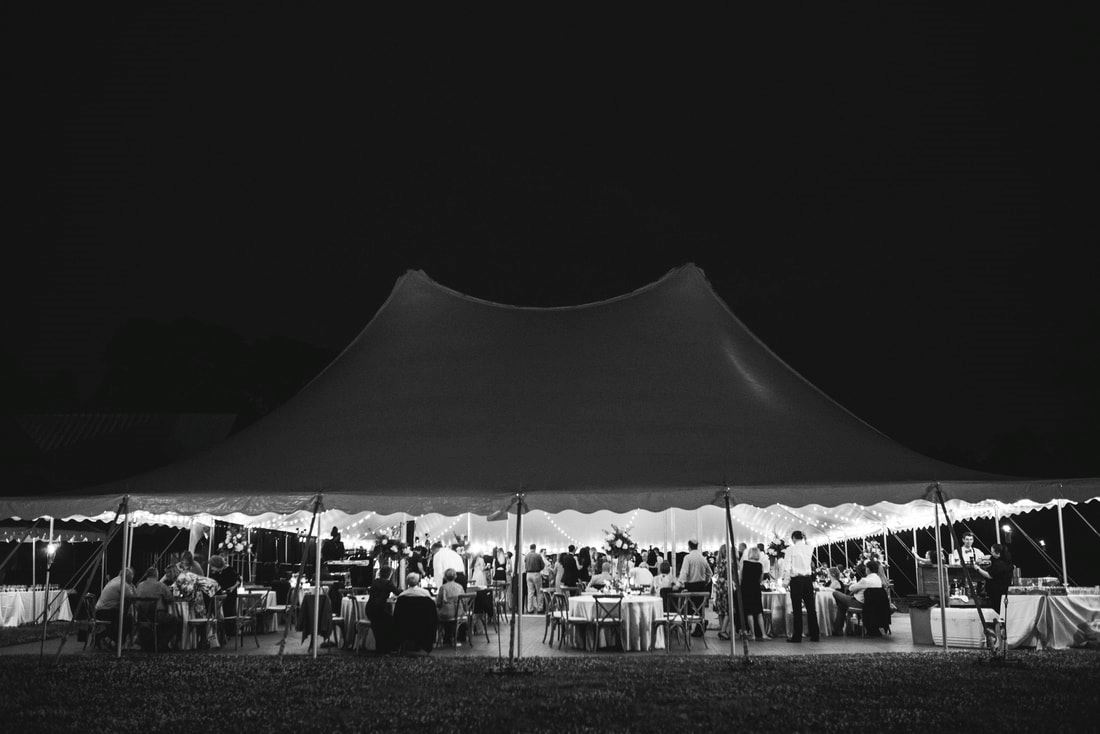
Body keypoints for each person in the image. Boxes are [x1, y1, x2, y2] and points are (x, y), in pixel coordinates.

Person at [831, 558, 884, 635]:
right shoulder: (878, 580)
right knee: (842, 605)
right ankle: (839, 629)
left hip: (858, 603)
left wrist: (856, 590)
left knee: (835, 593)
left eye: (866, 567)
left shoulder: (865, 580)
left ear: (868, 569)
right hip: (871, 604)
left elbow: (850, 588)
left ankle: (837, 630)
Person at [135, 566, 180, 652]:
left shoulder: (139, 585)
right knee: (174, 620)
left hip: (141, 617)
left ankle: (153, 643)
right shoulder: (160, 585)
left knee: (163, 621)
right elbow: (170, 599)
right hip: (156, 615)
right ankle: (163, 643)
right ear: (157, 575)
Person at [786, 530, 820, 643]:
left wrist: (786, 582)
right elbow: (809, 544)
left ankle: (797, 637)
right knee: (811, 608)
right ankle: (815, 635)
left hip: (796, 580)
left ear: (793, 539)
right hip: (807, 580)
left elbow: (787, 567)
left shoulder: (790, 549)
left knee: (797, 609)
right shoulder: (809, 548)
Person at [394, 572, 438, 653]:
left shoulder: (402, 596)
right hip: (423, 623)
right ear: (418, 582)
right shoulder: (425, 594)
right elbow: (432, 611)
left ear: (407, 582)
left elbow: (397, 614)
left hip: (406, 624)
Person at [95, 568, 136, 648]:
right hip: (106, 612)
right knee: (128, 619)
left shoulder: (115, 580)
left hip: (99, 611)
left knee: (122, 618)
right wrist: (133, 587)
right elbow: (133, 597)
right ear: (128, 577)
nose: (132, 579)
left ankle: (108, 638)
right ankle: (117, 642)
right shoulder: (123, 584)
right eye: (132, 577)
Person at [366, 566, 399, 653]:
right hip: (379, 610)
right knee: (393, 622)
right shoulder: (387, 583)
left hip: (369, 609)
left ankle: (381, 647)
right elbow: (397, 592)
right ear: (389, 574)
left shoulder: (375, 582)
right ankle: (390, 647)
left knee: (380, 625)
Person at [974, 543, 1013, 612]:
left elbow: (989, 575)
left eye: (992, 551)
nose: (991, 553)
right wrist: (981, 558)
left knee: (997, 608)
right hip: (1004, 589)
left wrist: (978, 569)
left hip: (998, 590)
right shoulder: (1003, 558)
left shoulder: (999, 564)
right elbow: (989, 556)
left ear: (997, 553)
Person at [740, 546, 767, 640]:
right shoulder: (760, 565)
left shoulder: (744, 563)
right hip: (756, 589)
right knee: (759, 611)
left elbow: (740, 577)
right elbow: (760, 579)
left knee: (749, 612)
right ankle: (763, 634)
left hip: (746, 589)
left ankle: (753, 634)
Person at [436, 568, 466, 643]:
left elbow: (438, 603)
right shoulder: (460, 587)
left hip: (447, 613)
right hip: (459, 612)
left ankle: (447, 637)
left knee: (442, 612)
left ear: (445, 577)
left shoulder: (443, 587)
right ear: (455, 576)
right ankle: (460, 636)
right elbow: (464, 601)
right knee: (452, 613)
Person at [523, 544, 545, 613]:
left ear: (530, 548)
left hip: (528, 574)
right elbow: (543, 565)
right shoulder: (538, 555)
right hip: (536, 574)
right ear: (535, 548)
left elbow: (525, 565)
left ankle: (530, 609)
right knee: (539, 591)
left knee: (530, 592)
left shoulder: (526, 556)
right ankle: (540, 608)